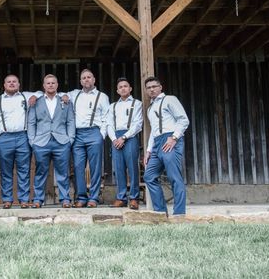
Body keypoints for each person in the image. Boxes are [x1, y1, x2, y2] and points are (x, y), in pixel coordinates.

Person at [0, 74, 42, 209]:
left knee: (23, 170)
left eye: (14, 82)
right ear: (4, 85)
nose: (12, 84)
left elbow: (41, 93)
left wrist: (35, 96)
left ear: (18, 84)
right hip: (4, 138)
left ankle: (24, 199)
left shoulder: (25, 96)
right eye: (9, 82)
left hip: (22, 137)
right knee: (6, 171)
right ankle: (7, 199)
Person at [143, 76, 189, 215]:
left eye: (154, 86)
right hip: (157, 143)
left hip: (170, 139)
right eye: (149, 88)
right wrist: (149, 150)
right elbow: (153, 131)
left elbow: (183, 120)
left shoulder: (169, 99)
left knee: (174, 176)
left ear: (160, 87)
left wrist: (174, 137)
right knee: (149, 176)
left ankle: (179, 213)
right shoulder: (150, 108)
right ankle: (161, 212)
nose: (151, 89)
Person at [27, 74, 75, 208]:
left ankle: (65, 199)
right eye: (48, 83)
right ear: (43, 86)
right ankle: (37, 200)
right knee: (40, 172)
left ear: (57, 85)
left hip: (61, 142)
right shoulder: (36, 101)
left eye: (53, 83)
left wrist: (70, 139)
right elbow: (31, 122)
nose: (50, 85)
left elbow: (70, 120)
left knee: (63, 172)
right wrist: (32, 141)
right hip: (41, 142)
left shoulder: (65, 100)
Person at [67, 69, 110, 208]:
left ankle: (93, 198)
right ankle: (81, 197)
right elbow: (55, 94)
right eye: (84, 78)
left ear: (94, 80)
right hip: (78, 134)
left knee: (95, 168)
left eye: (89, 77)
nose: (86, 79)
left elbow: (106, 117)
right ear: (80, 81)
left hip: (94, 132)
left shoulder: (102, 96)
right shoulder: (74, 94)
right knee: (78, 167)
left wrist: (101, 135)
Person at [107, 78, 143, 210]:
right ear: (117, 90)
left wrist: (124, 137)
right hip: (115, 138)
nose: (123, 88)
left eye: (125, 86)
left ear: (130, 88)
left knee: (132, 168)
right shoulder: (113, 106)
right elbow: (109, 124)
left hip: (130, 137)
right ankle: (121, 198)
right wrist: (114, 139)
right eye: (120, 87)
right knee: (118, 168)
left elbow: (138, 124)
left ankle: (134, 198)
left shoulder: (137, 103)